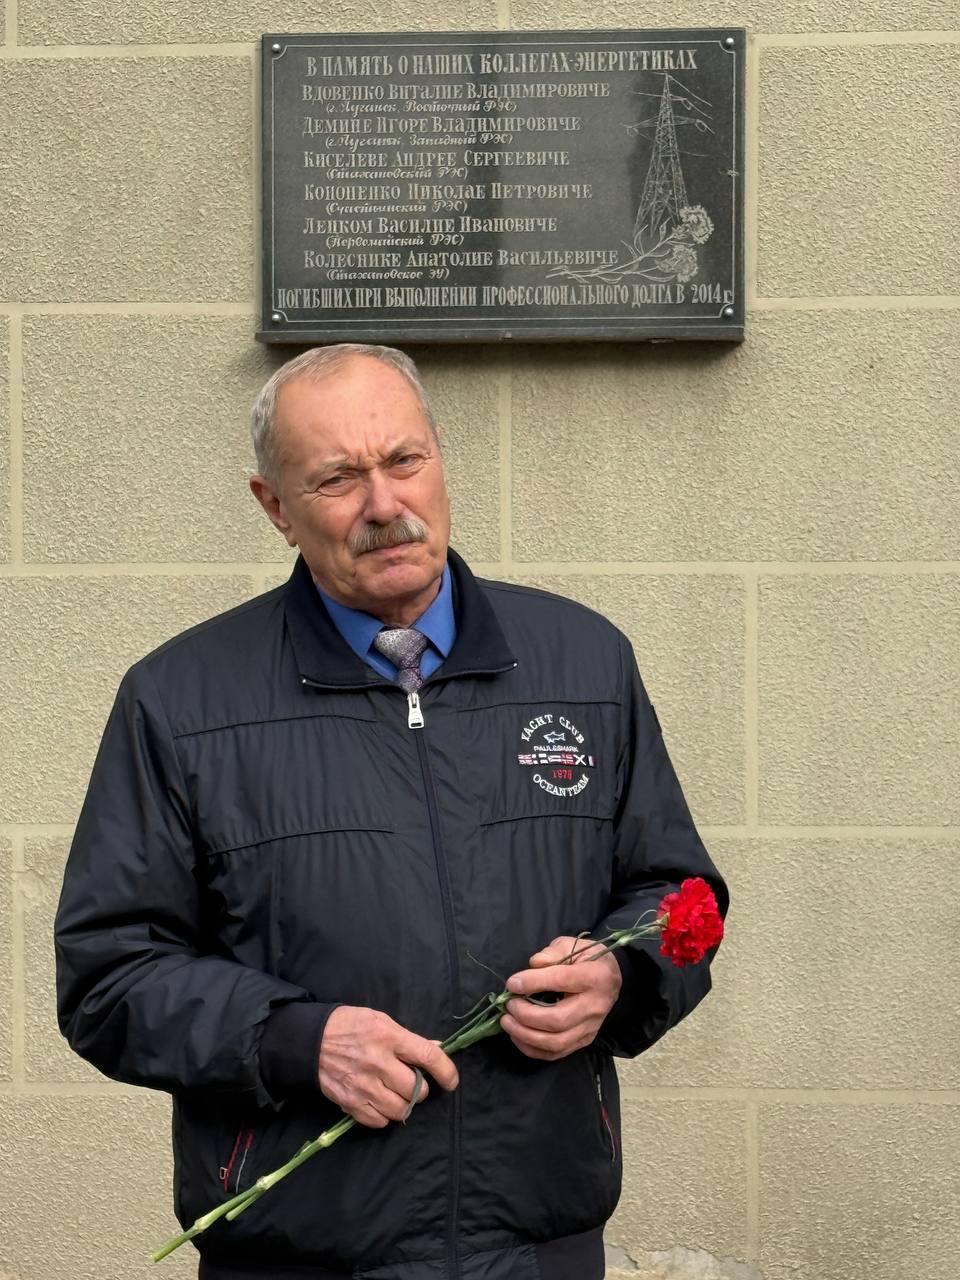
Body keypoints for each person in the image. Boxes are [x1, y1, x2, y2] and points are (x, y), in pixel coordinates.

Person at [55, 343, 727, 1280]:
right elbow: (107, 976)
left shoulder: (585, 663)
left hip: (538, 1252)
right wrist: (291, 1040)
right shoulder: (179, 700)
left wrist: (622, 975)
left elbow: (679, 896)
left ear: (440, 456)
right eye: (337, 478)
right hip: (298, 1259)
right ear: (274, 507)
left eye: (405, 460)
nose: (384, 504)